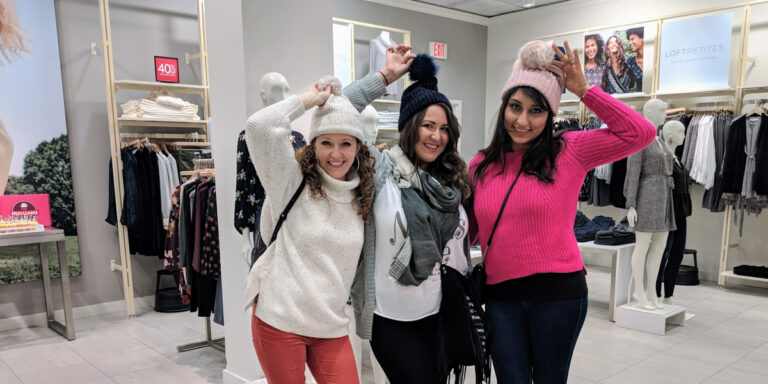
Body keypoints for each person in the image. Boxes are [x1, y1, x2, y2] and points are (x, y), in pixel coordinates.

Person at [470, 40, 656, 382]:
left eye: (536, 111)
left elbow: (641, 132)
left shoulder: (570, 150)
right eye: (515, 106)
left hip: (557, 295)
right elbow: (468, 230)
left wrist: (584, 90)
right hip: (501, 297)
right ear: (504, 106)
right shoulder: (481, 165)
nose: (522, 120)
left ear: (551, 113)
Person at [244, 46, 413, 384]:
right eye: (325, 143)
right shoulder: (290, 179)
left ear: (359, 147)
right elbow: (260, 126)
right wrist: (312, 98)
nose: (336, 154)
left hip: (331, 326)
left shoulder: (365, 190)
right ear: (313, 144)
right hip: (280, 319)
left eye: (346, 144)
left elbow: (343, 110)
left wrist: (385, 77)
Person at [346, 54, 472, 384]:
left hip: (436, 313)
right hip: (388, 317)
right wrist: (385, 76)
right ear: (410, 125)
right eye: (428, 125)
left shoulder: (452, 181)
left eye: (444, 128)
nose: (436, 136)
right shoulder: (378, 169)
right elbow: (340, 110)